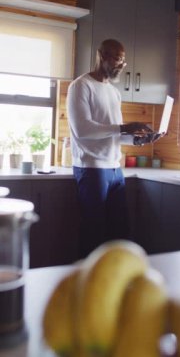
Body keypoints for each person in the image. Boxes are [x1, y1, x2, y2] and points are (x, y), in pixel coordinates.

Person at [67, 39, 159, 258]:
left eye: (123, 61)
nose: (121, 65)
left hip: (115, 170)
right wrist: (126, 127)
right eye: (118, 59)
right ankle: (85, 284)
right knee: (94, 233)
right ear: (101, 55)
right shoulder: (80, 86)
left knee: (121, 235)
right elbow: (83, 129)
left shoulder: (114, 93)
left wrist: (136, 140)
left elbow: (114, 134)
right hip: (91, 168)